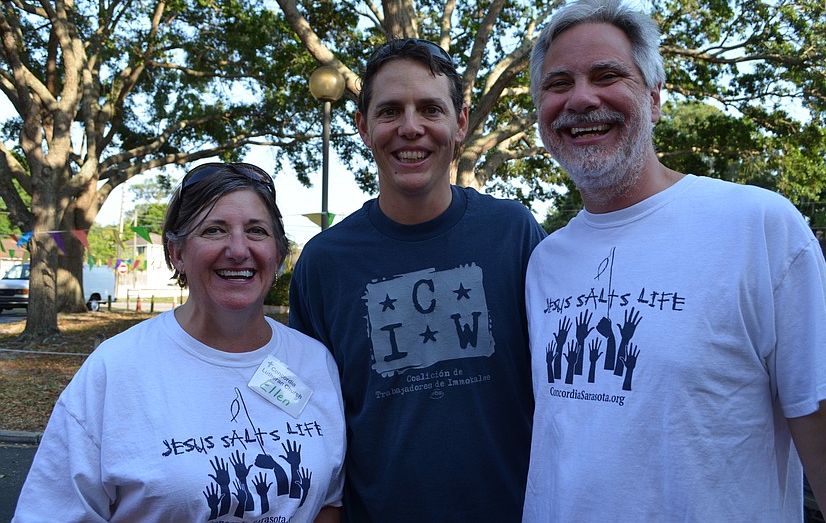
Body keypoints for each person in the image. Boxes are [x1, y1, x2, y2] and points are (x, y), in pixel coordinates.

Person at [522, 0, 826, 522]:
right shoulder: (546, 261)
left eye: (607, 76)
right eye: (558, 83)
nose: (580, 99)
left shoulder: (759, 228)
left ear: (653, 97)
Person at [289, 38, 547, 522]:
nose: (411, 128)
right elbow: (310, 422)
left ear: (461, 123)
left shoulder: (514, 234)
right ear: (363, 128)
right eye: (390, 112)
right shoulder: (324, 263)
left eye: (430, 108)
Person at [13, 163, 345, 523]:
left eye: (256, 231)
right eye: (214, 230)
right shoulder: (117, 368)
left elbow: (328, 502)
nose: (238, 249)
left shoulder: (313, 361)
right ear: (177, 254)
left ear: (278, 254)